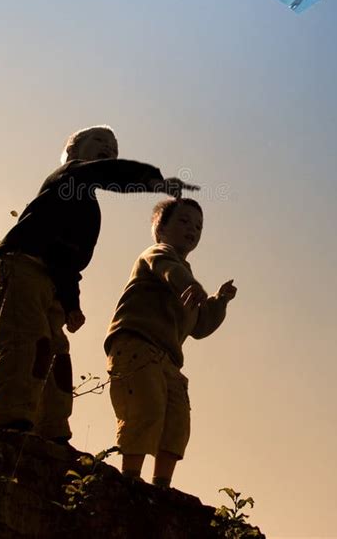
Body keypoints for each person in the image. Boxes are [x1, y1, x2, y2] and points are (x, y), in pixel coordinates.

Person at [0, 125, 198, 445]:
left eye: (114, 147)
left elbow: (70, 263)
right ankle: (9, 419)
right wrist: (152, 179)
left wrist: (71, 303)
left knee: (57, 354)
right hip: (23, 264)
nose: (108, 149)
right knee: (28, 341)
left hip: (54, 283)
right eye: (99, 142)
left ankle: (52, 429)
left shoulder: (88, 211)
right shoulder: (69, 177)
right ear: (72, 152)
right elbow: (105, 172)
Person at [104, 197, 237, 486]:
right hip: (136, 344)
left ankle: (161, 485)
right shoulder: (156, 253)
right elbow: (170, 271)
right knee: (146, 408)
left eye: (199, 226)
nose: (193, 229)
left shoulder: (186, 280)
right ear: (160, 229)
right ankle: (130, 478)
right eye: (184, 221)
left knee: (177, 423)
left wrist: (219, 301)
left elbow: (200, 327)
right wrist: (191, 286)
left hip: (169, 359)